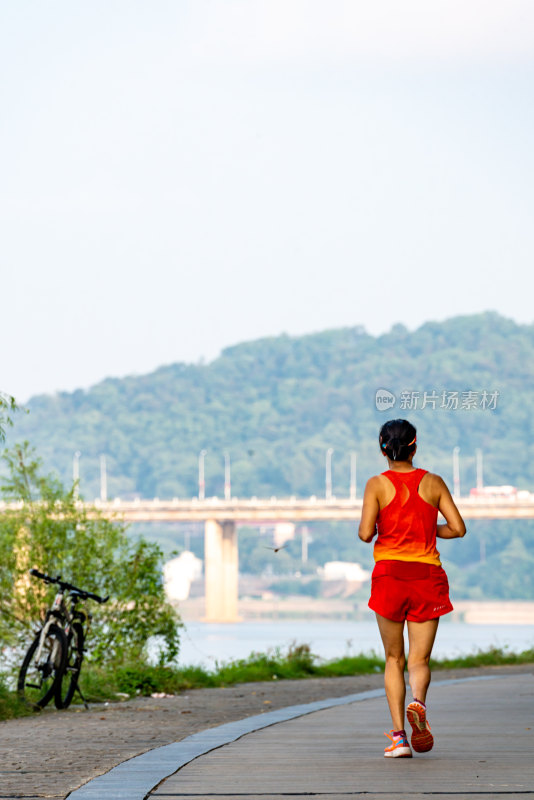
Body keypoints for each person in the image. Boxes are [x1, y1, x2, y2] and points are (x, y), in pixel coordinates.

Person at [358, 418, 466, 758]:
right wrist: (427, 529)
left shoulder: (376, 484)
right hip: (427, 577)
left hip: (390, 576)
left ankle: (399, 739)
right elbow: (458, 528)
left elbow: (364, 534)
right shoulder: (433, 482)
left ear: (382, 448)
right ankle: (418, 703)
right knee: (419, 660)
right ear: (415, 446)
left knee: (394, 658)